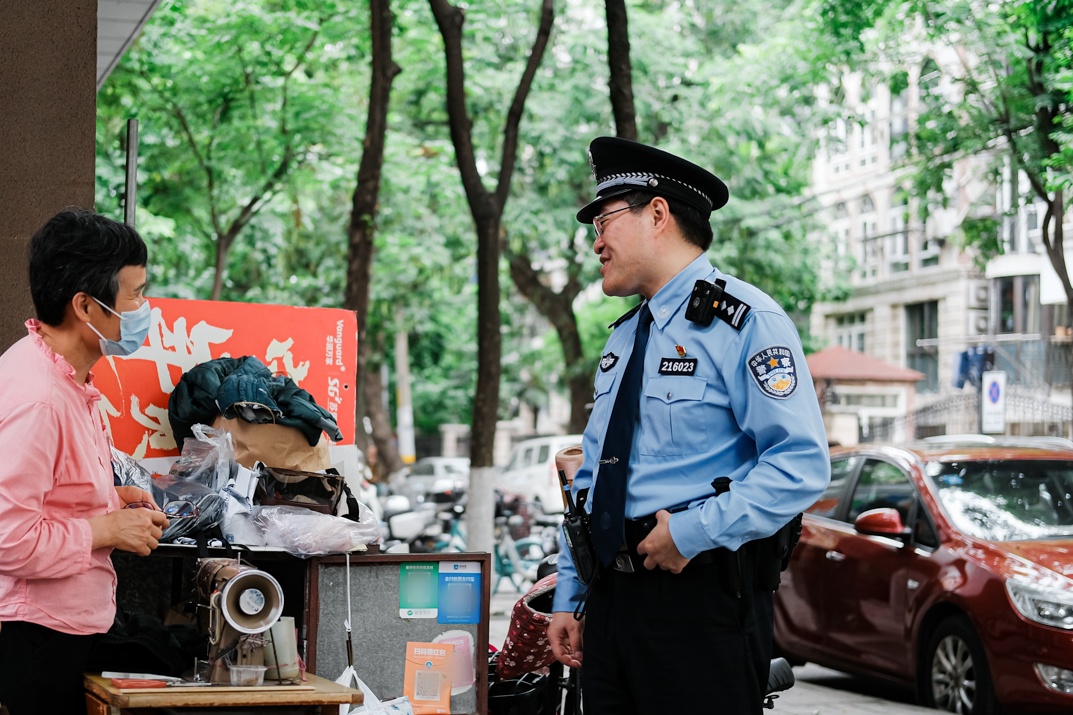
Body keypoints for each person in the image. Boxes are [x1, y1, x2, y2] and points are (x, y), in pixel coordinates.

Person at [548, 138, 831, 714]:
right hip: (609, 603)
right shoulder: (625, 337)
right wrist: (570, 592)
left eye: (604, 220)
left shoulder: (747, 321)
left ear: (657, 214)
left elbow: (800, 465)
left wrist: (691, 532)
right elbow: (593, 481)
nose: (596, 242)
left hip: (700, 602)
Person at [0, 209, 169, 715]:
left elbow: (45, 492)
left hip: (65, 627)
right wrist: (108, 530)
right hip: (35, 636)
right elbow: (9, 538)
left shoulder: (64, 376)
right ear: (84, 306)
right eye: (135, 294)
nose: (145, 307)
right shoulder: (39, 398)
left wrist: (109, 499)